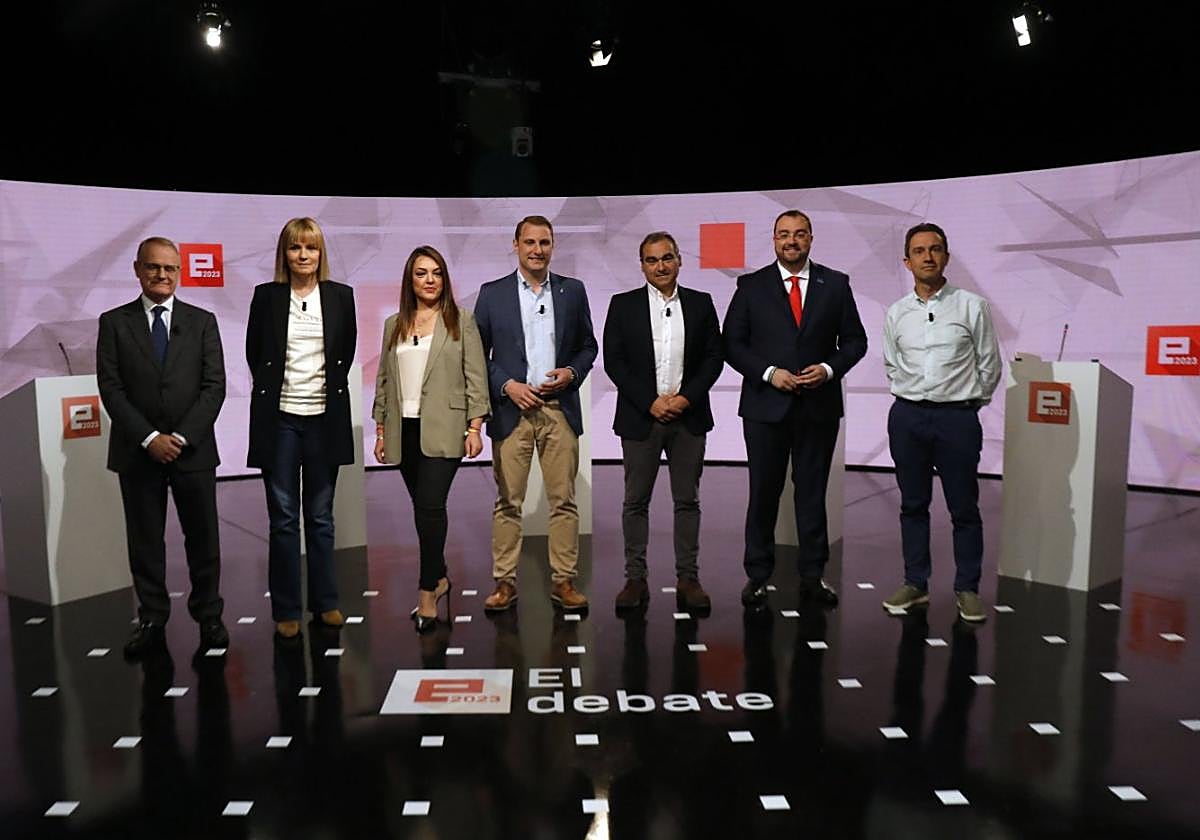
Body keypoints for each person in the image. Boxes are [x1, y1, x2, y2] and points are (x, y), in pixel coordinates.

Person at [723, 210, 868, 610]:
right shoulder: (751, 286)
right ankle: (757, 575)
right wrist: (770, 374)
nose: (792, 241)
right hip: (765, 408)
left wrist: (827, 369)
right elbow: (732, 344)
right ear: (773, 240)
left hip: (817, 407)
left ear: (811, 238)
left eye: (799, 234)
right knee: (763, 493)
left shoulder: (836, 284)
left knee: (812, 494)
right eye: (784, 235)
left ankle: (813, 575)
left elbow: (855, 341)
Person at [96, 236, 228, 658]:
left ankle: (209, 615)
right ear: (137, 269)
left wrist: (182, 437)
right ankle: (152, 618)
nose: (162, 275)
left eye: (170, 268)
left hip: (193, 451)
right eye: (154, 267)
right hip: (139, 452)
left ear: (180, 272)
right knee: (145, 541)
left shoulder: (203, 320)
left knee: (203, 537)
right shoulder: (114, 322)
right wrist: (151, 438)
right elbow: (111, 389)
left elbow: (214, 386)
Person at [473, 215, 598, 612]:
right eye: (529, 242)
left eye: (544, 242)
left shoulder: (572, 291)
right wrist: (508, 385)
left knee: (564, 501)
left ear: (553, 246)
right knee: (508, 501)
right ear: (516, 245)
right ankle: (504, 583)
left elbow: (588, 347)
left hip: (558, 408)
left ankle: (563, 581)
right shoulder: (491, 294)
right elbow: (477, 355)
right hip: (512, 410)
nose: (537, 249)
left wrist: (572, 372)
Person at [881, 222, 1001, 623]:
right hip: (908, 416)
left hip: (957, 418)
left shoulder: (972, 305)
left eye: (935, 249)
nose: (927, 257)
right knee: (913, 505)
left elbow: (989, 366)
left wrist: (967, 404)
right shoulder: (896, 312)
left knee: (963, 507)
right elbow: (891, 364)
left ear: (946, 257)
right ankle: (916, 583)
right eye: (919, 251)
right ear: (907, 260)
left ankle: (967, 588)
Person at [246, 217, 357, 639]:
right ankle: (287, 609)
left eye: (310, 248)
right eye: (295, 248)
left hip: (324, 421)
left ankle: (326, 603)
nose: (303, 256)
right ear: (285, 254)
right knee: (284, 519)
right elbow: (256, 356)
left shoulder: (341, 296)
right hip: (281, 422)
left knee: (321, 517)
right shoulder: (267, 297)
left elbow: (344, 355)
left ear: (320, 253)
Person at [603, 231, 724, 612]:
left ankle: (688, 577)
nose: (661, 266)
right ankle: (635, 579)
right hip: (642, 418)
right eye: (652, 260)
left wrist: (686, 398)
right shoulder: (622, 305)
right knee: (635, 502)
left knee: (687, 500)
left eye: (667, 258)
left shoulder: (701, 304)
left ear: (679, 260)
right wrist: (650, 402)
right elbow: (614, 361)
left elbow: (712, 358)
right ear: (642, 266)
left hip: (688, 418)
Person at [372, 246, 490, 632]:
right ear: (410, 279)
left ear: (445, 279)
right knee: (423, 510)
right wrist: (380, 429)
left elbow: (476, 376)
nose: (429, 280)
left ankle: (427, 590)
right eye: (422, 273)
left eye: (437, 273)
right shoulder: (394, 324)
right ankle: (439, 576)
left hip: (445, 427)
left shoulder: (461, 320)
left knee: (429, 504)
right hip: (402, 430)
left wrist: (475, 427)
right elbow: (384, 380)